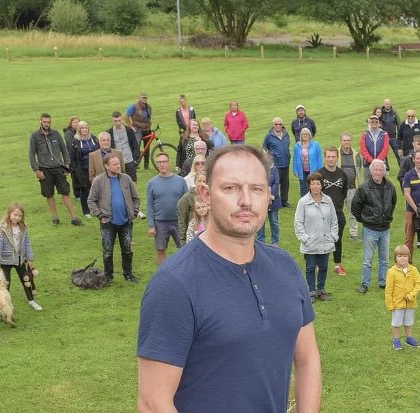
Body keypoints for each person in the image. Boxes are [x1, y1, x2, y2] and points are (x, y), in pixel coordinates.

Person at [137, 145, 322, 413]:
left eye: (256, 189)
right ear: (205, 194)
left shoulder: (285, 267)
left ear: (269, 196)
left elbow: (307, 359)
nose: (246, 200)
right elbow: (153, 404)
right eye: (231, 188)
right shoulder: (174, 285)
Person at [87, 155, 140, 283]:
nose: (118, 166)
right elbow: (91, 201)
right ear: (106, 166)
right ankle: (108, 275)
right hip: (108, 223)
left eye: (118, 164)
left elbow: (136, 198)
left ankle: (128, 274)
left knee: (127, 249)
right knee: (108, 251)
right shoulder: (98, 181)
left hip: (126, 222)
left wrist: (135, 212)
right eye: (115, 164)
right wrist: (100, 215)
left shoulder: (126, 179)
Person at [28, 113, 82, 226]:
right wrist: (37, 171)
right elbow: (31, 155)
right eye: (44, 122)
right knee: (49, 194)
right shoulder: (34, 136)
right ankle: (55, 218)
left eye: (48, 122)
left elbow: (64, 150)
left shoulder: (56, 134)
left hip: (58, 169)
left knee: (65, 192)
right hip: (45, 170)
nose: (46, 124)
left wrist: (67, 165)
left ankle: (74, 217)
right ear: (40, 122)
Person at [352, 160, 397, 294]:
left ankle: (383, 282)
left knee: (384, 259)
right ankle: (365, 283)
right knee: (368, 260)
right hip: (370, 229)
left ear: (384, 171)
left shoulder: (390, 186)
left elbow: (393, 202)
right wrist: (365, 219)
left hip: (385, 229)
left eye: (380, 170)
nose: (378, 173)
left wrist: (387, 216)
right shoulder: (363, 188)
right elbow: (355, 207)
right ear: (371, 171)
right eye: (375, 170)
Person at [296, 173, 339, 302]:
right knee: (310, 267)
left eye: (317, 184)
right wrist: (305, 239)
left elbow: (334, 220)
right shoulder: (303, 202)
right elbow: (298, 222)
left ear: (321, 185)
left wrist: (333, 236)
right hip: (311, 242)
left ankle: (321, 290)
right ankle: (311, 291)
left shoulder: (328, 200)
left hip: (326, 240)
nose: (315, 186)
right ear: (309, 185)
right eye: (312, 184)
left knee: (324, 266)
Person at [0, 203, 43, 311]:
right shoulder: (2, 228)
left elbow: (27, 243)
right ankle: (5, 305)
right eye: (15, 215)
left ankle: (31, 301)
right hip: (5, 261)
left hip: (20, 259)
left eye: (20, 216)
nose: (17, 218)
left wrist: (30, 258)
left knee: (27, 280)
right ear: (9, 214)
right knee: (6, 283)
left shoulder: (23, 227)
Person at [146, 153, 188, 265]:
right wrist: (151, 225)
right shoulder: (152, 183)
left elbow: (187, 203)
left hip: (179, 221)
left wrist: (188, 221)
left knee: (185, 249)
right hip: (160, 222)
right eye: (159, 162)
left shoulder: (180, 181)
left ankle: (184, 272)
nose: (162, 164)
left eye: (164, 162)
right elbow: (149, 204)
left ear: (169, 163)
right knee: (160, 250)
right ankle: (162, 275)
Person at [317, 147, 352, 276]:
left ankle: (337, 265)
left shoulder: (342, 174)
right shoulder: (319, 175)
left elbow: (344, 193)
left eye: (333, 157)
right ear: (325, 158)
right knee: (321, 239)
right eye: (328, 157)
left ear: (337, 158)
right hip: (321, 214)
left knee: (337, 239)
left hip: (337, 212)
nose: (331, 159)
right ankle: (318, 265)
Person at [385, 245, 420, 350]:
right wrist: (390, 304)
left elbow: (418, 284)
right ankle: (396, 340)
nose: (403, 258)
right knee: (396, 323)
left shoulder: (413, 270)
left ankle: (409, 338)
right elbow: (388, 290)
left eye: (405, 256)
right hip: (397, 303)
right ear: (395, 258)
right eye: (400, 256)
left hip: (411, 302)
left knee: (409, 321)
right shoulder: (391, 272)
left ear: (409, 257)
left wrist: (411, 295)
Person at [69, 120, 99, 218]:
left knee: (97, 189)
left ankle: (96, 209)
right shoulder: (75, 142)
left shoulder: (94, 139)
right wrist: (76, 170)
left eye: (86, 128)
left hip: (95, 169)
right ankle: (86, 211)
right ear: (79, 130)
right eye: (82, 128)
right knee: (85, 189)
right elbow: (72, 157)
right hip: (83, 169)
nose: (84, 130)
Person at [263, 117, 294, 208]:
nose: (278, 126)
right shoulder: (269, 136)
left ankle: (284, 201)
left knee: (285, 183)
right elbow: (265, 148)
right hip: (276, 164)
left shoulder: (286, 134)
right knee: (276, 183)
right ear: (273, 125)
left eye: (280, 124)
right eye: (276, 124)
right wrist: (271, 158)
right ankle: (275, 201)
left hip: (286, 162)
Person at [338, 133, 364, 239]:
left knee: (352, 213)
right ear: (341, 141)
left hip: (352, 188)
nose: (346, 142)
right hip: (339, 189)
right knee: (336, 212)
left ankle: (354, 234)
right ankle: (336, 234)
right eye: (344, 140)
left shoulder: (356, 155)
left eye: (348, 140)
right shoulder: (336, 153)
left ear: (351, 141)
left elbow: (359, 170)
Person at [107, 111, 140, 183]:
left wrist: (135, 160)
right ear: (112, 121)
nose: (118, 123)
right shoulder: (109, 133)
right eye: (115, 121)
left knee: (132, 183)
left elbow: (135, 146)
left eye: (119, 120)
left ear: (122, 119)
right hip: (117, 162)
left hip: (130, 161)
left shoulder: (129, 131)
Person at [292, 128, 324, 197]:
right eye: (303, 134)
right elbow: (294, 159)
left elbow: (319, 158)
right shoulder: (297, 146)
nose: (305, 135)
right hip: (302, 171)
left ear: (309, 135)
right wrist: (295, 170)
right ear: (301, 136)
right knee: (303, 188)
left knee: (314, 187)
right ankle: (303, 205)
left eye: (306, 134)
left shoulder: (315, 144)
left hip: (313, 170)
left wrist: (320, 170)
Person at [256, 162, 282, 246]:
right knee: (261, 221)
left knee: (274, 221)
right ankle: (260, 240)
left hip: (273, 201)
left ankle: (275, 241)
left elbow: (276, 183)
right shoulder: (258, 169)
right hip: (261, 200)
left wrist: (270, 195)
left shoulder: (274, 169)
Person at [178, 172, 208, 244]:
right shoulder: (186, 198)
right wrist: (183, 242)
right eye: (199, 181)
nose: (201, 183)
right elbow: (182, 221)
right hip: (194, 233)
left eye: (204, 181)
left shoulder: (211, 196)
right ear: (194, 182)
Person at [126, 92, 152, 165]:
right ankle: (135, 163)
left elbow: (148, 119)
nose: (144, 99)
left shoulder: (148, 107)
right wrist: (131, 127)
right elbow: (126, 116)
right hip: (138, 130)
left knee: (147, 147)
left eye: (145, 97)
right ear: (139, 98)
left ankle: (146, 164)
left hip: (147, 129)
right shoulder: (134, 106)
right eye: (143, 97)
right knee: (136, 146)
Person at [174, 94, 197, 170]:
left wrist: (190, 128)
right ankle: (178, 164)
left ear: (186, 101)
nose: (183, 104)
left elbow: (194, 119)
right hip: (183, 132)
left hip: (191, 130)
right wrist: (185, 129)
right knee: (181, 147)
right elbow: (179, 122)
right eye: (181, 103)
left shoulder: (191, 110)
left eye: (184, 102)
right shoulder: (178, 111)